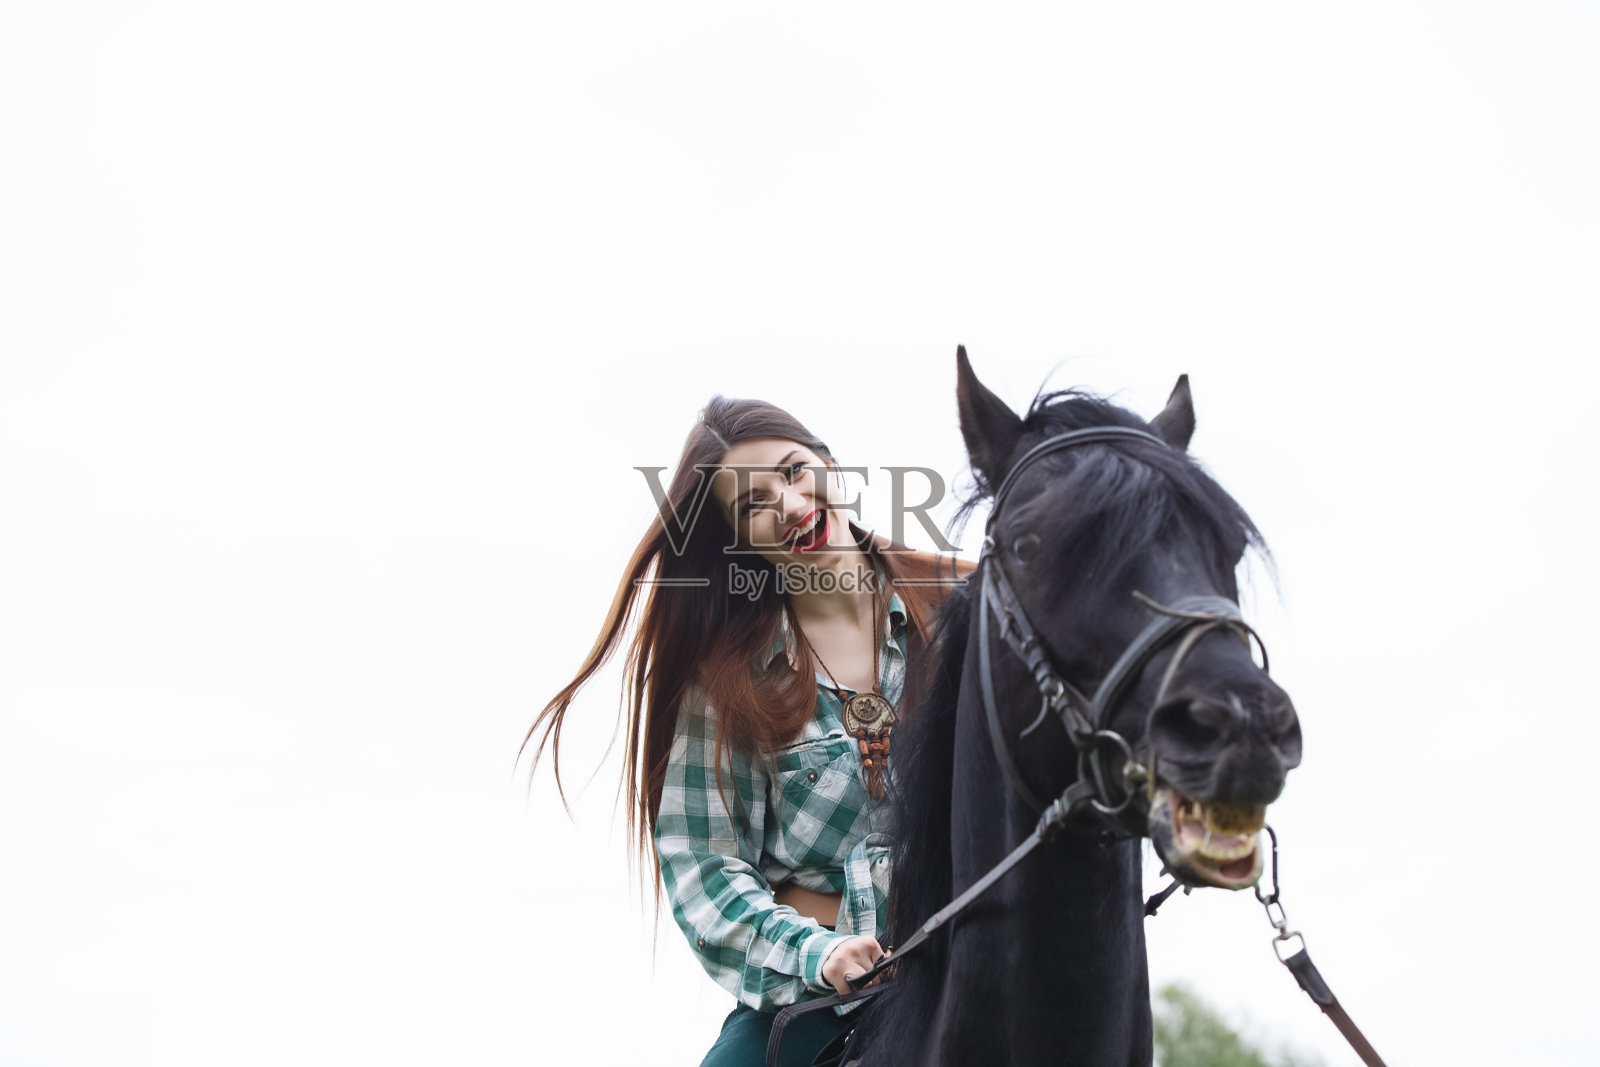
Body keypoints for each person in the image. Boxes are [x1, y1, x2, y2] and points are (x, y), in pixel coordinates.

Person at [523, 396, 972, 1066]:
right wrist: (820, 955)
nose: (791, 505)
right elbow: (706, 869)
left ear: (827, 459)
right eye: (756, 502)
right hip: (823, 999)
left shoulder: (967, 601)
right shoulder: (725, 686)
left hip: (984, 951)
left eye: (794, 471)